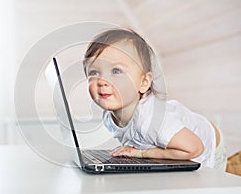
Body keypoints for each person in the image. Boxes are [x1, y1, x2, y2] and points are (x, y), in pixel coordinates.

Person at [82, 28, 226, 170]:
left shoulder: (152, 121)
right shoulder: (109, 117)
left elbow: (194, 149)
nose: (102, 81)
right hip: (177, 138)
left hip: (208, 144)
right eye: (94, 72)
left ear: (144, 83)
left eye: (116, 71)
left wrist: (142, 153)